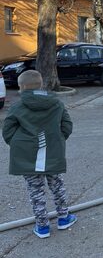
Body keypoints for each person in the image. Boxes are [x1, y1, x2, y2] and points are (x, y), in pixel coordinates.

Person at [2, 70, 76, 238]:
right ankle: (64, 218)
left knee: (35, 190)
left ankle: (42, 226)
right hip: (52, 152)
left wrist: (18, 145)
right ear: (41, 84)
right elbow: (67, 125)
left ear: (21, 87)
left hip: (27, 156)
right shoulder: (57, 103)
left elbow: (8, 130)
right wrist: (58, 140)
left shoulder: (17, 107)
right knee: (57, 185)